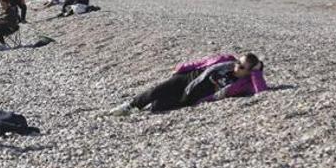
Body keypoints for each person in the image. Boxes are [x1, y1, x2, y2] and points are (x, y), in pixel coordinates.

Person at [108, 53, 268, 115]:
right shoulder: (226, 60)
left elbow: (261, 91)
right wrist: (181, 69)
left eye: (241, 66)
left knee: (160, 105)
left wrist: (257, 72)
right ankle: (128, 106)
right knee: (158, 90)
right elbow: (203, 62)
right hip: (189, 78)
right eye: (238, 61)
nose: (236, 66)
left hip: (194, 95)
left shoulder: (245, 83)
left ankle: (142, 109)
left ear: (249, 71)